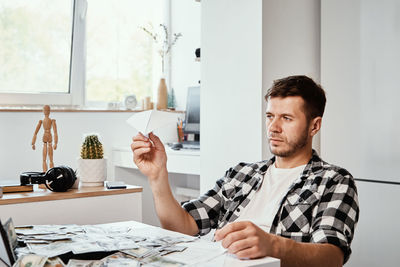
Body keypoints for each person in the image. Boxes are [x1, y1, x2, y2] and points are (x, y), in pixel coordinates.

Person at [131, 75, 359, 267]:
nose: (273, 127)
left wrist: (274, 245)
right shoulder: (241, 174)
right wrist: (158, 176)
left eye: (287, 118)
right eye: (270, 116)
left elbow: (332, 257)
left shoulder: (334, 180)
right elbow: (181, 227)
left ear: (314, 126)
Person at [31, 105, 58, 172]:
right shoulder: (41, 121)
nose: (46, 112)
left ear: (49, 111)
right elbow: (35, 132)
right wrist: (33, 143)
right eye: (45, 110)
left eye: (47, 110)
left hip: (49, 136)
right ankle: (44, 172)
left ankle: (51, 172)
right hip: (46, 136)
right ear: (43, 111)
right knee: (44, 157)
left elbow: (55, 132)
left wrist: (55, 143)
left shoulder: (52, 121)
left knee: (51, 157)